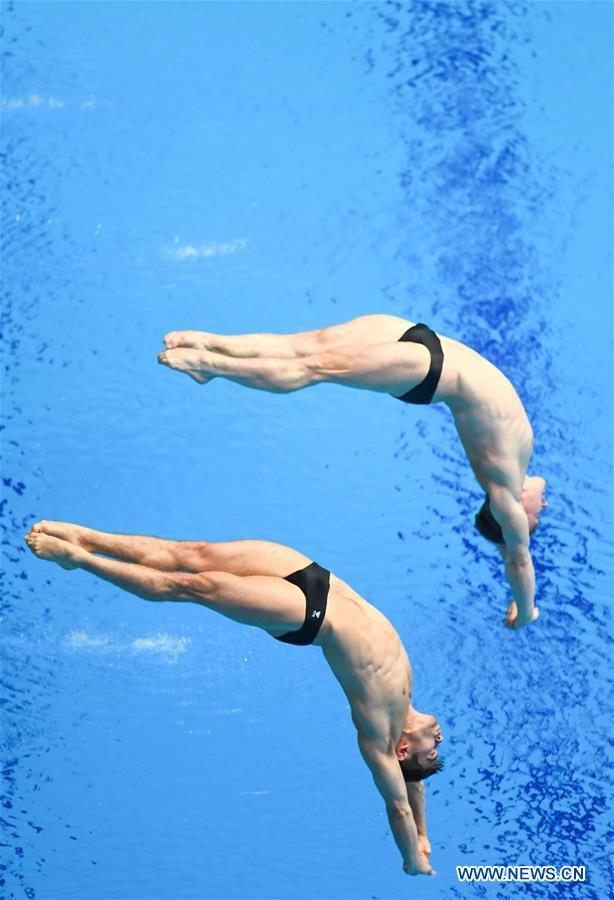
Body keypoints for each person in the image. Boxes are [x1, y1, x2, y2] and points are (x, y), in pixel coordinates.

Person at [25, 519, 444, 876]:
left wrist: (412, 858)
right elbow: (415, 791)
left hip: (310, 617)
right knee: (191, 552)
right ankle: (88, 538)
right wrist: (425, 834)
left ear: (403, 749)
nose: (440, 741)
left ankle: (80, 560)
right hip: (318, 578)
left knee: (192, 585)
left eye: (431, 752)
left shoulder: (379, 740)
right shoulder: (406, 697)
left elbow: (398, 804)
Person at [158, 314, 548, 629]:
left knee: (313, 365)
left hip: (431, 366)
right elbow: (521, 520)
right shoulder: (521, 472)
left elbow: (517, 558)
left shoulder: (504, 493)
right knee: (303, 345)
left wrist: (526, 607)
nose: (543, 507)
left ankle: (211, 364)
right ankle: (211, 341)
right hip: (418, 336)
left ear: (512, 518)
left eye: (534, 519)